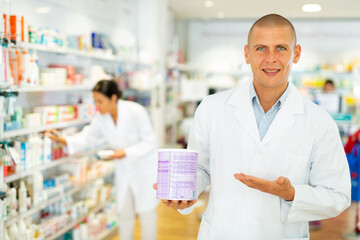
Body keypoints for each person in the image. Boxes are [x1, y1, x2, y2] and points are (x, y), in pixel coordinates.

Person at [155, 14, 351, 239]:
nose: (270, 58)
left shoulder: (319, 121)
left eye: (280, 48)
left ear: (296, 54)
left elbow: (338, 196)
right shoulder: (211, 107)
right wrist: (184, 193)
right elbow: (201, 168)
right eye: (261, 48)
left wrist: (291, 194)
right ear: (247, 54)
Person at [48, 80, 158, 240]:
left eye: (100, 101)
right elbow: (87, 137)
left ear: (113, 98)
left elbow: (150, 142)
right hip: (124, 171)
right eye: (95, 102)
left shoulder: (136, 111)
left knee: (146, 214)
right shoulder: (102, 118)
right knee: (124, 214)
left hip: (143, 169)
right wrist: (64, 140)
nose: (97, 106)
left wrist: (125, 152)